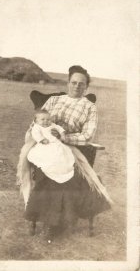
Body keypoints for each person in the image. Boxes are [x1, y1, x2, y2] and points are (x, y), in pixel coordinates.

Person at [17, 65, 112, 243]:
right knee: (47, 169)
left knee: (65, 172)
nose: (77, 86)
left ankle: (59, 221)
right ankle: (48, 217)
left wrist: (64, 137)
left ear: (86, 87)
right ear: (68, 83)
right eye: (73, 82)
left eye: (81, 84)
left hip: (72, 146)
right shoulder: (54, 101)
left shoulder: (89, 107)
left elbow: (87, 135)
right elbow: (35, 123)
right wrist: (39, 138)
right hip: (45, 145)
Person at [27, 109, 75, 183]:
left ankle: (60, 169)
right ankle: (48, 169)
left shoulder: (52, 125)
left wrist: (62, 135)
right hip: (44, 145)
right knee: (47, 157)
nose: (46, 121)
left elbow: (60, 128)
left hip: (55, 143)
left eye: (48, 119)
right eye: (42, 119)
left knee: (61, 154)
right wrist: (42, 139)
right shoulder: (37, 127)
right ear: (36, 120)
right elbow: (36, 134)